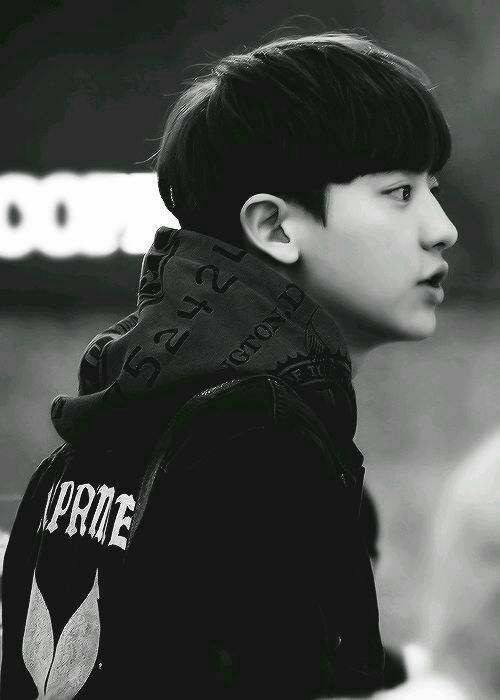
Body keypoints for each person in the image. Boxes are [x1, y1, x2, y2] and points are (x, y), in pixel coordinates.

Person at [0, 30, 457, 698]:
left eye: (432, 188)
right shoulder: (265, 444)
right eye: (399, 192)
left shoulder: (84, 450)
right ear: (274, 226)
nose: (442, 228)